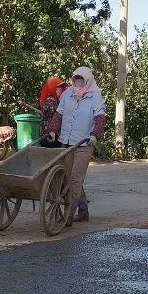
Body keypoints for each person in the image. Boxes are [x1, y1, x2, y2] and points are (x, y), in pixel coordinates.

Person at [46, 66, 105, 225]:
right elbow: (59, 114)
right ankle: (83, 210)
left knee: (75, 178)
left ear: (87, 80)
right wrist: (52, 130)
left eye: (81, 79)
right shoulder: (67, 94)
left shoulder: (95, 97)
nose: (78, 82)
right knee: (68, 178)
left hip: (84, 144)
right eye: (76, 79)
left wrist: (95, 135)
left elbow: (100, 118)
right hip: (66, 141)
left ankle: (68, 216)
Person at [39, 76, 69, 146]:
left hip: (49, 135)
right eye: (58, 88)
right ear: (53, 88)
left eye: (61, 88)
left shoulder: (54, 100)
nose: (60, 90)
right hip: (50, 136)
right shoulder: (51, 101)